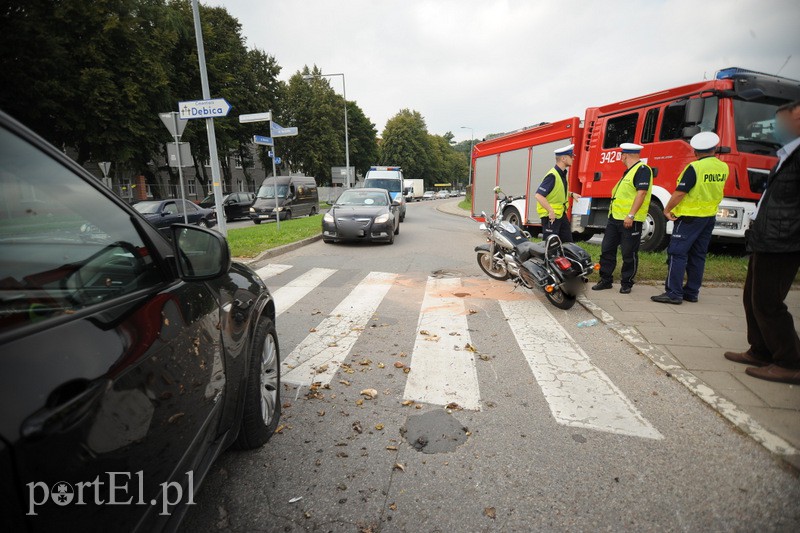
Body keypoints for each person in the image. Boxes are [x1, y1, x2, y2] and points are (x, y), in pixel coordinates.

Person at [724, 100, 800, 385]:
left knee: (768, 302)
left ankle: (790, 362)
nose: (779, 128)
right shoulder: (786, 154)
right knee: (752, 298)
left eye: (787, 121)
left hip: (784, 240)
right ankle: (760, 350)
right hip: (766, 236)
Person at [651, 132, 729, 304]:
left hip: (689, 217)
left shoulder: (695, 167)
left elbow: (680, 192)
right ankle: (692, 292)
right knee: (698, 255)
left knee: (677, 253)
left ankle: (674, 293)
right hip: (708, 217)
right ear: (714, 149)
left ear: (695, 151)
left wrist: (667, 209)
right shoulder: (723, 167)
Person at [592, 143, 652, 294]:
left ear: (625, 155)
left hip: (630, 220)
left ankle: (627, 283)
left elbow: (642, 193)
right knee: (607, 250)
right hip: (615, 219)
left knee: (628, 253)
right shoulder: (629, 171)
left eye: (621, 155)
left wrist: (631, 215)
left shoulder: (642, 170)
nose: (621, 157)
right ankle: (605, 280)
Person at [534, 144, 581, 243]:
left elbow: (557, 190)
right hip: (551, 217)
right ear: (563, 158)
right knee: (551, 245)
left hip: (560, 214)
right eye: (571, 156)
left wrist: (572, 194)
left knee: (568, 243)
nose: (573, 158)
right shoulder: (552, 175)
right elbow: (539, 195)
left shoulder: (561, 174)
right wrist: (550, 211)